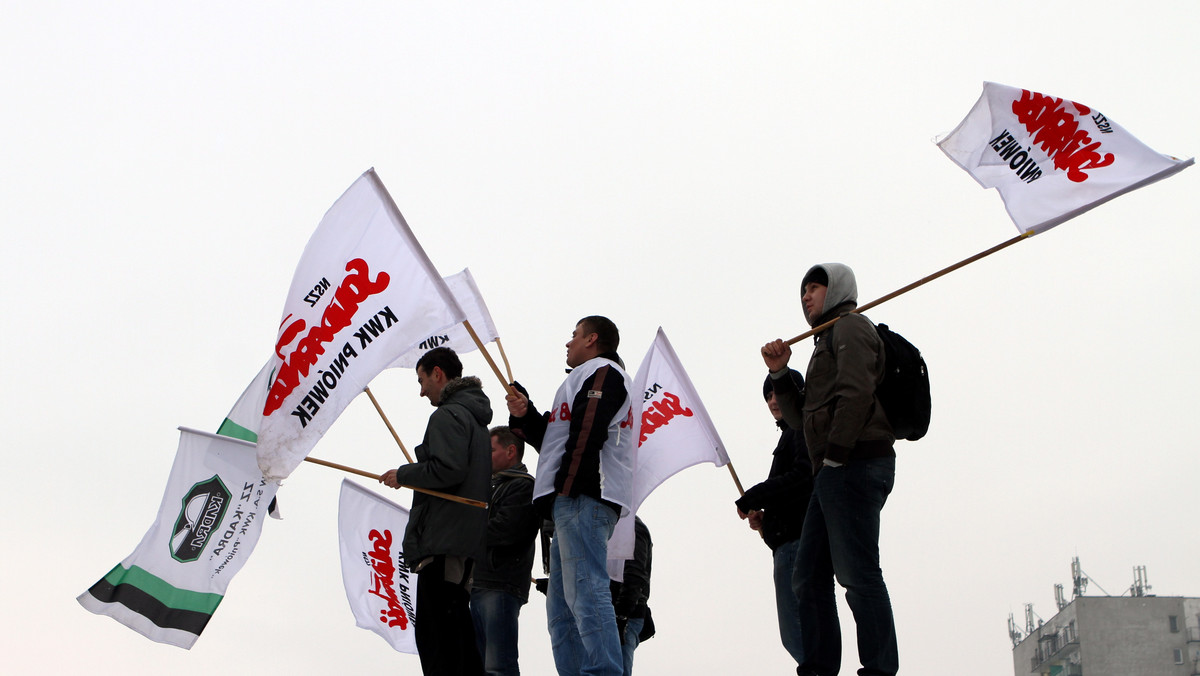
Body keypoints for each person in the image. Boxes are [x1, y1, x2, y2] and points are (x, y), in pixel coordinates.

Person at [761, 263, 898, 676]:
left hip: (855, 463)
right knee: (808, 575)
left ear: (836, 289)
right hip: (834, 471)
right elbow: (803, 420)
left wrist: (836, 455)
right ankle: (818, 668)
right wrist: (781, 373)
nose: (806, 297)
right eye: (803, 291)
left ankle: (879, 668)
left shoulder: (852, 326)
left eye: (815, 288)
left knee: (857, 573)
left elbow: (856, 393)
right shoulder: (824, 342)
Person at [506, 315, 634, 676]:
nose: (568, 343)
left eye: (574, 335)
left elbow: (588, 433)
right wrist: (526, 415)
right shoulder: (582, 378)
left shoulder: (603, 373)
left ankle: (604, 672)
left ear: (592, 339)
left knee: (586, 592)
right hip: (570, 499)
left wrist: (567, 488)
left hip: (583, 497)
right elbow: (557, 438)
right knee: (562, 609)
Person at [380, 347, 492, 676]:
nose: (421, 390)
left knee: (439, 638)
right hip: (461, 541)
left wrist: (405, 475)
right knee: (454, 632)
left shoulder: (448, 414)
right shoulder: (474, 419)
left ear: (438, 373)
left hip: (446, 541)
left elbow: (448, 469)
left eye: (422, 380)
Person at [734, 370, 813, 671]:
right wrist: (768, 521)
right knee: (804, 630)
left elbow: (803, 477)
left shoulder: (800, 427)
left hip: (796, 543)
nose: (772, 400)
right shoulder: (792, 433)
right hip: (792, 541)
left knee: (799, 632)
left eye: (777, 392)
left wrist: (754, 497)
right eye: (767, 395)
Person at [470, 426, 541, 676]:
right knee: (482, 665)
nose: (483, 457)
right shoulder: (489, 487)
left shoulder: (523, 487)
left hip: (501, 583)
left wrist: (464, 529)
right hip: (480, 582)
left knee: (498, 666)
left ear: (511, 451)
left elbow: (507, 530)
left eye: (489, 450)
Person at [610, 516, 654, 676]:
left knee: (615, 670)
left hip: (625, 616)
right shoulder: (609, 525)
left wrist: (621, 615)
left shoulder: (630, 527)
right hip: (613, 614)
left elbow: (635, 575)